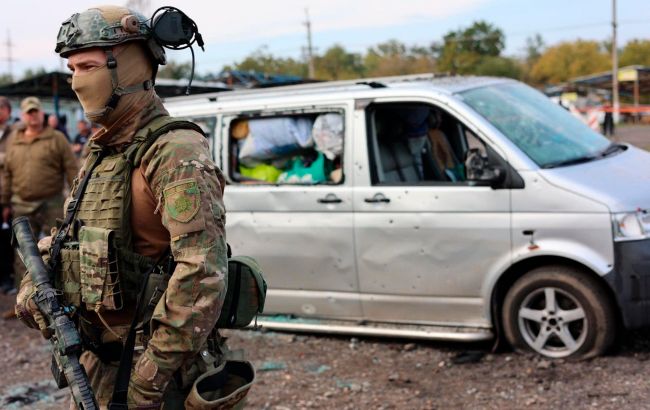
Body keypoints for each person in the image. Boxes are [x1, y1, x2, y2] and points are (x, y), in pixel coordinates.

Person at [15, 6, 232, 409]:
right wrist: (35, 286)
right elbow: (67, 237)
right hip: (98, 368)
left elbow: (202, 273)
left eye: (88, 66)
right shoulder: (103, 151)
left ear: (128, 68)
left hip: (158, 378)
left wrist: (147, 382)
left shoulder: (173, 152)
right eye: (72, 69)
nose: (77, 82)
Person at [1, 96, 78, 290]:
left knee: (60, 248)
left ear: (42, 114)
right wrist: (5, 203)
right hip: (21, 204)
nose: (33, 116)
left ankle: (62, 294)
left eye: (36, 112)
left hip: (52, 202)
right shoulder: (14, 142)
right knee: (23, 253)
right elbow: (8, 174)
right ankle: (24, 299)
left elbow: (71, 169)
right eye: (29, 113)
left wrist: (76, 198)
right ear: (23, 116)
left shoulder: (57, 138)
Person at [0, 96, 14, 294]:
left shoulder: (16, 133)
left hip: (7, 194)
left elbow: (16, 160)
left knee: (8, 239)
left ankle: (8, 278)